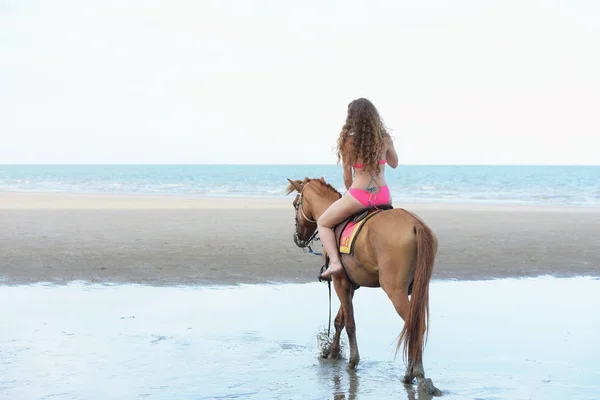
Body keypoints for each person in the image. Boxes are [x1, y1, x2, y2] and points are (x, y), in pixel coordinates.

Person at [318, 98, 398, 280]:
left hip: (360, 196)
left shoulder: (348, 142)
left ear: (351, 118)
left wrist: (350, 193)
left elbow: (347, 178)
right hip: (384, 197)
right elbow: (394, 163)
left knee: (323, 223)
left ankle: (336, 263)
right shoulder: (385, 139)